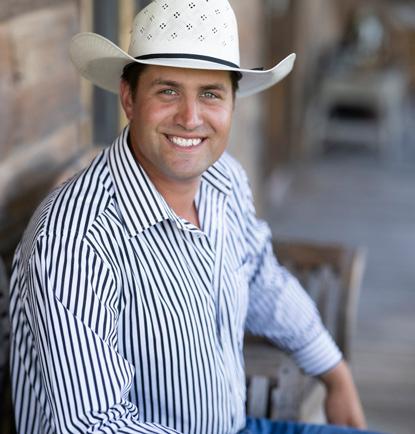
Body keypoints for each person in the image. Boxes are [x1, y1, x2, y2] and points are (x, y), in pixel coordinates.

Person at [9, 1, 383, 433]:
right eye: (168, 91)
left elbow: (262, 278)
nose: (190, 119)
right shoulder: (76, 239)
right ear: (129, 98)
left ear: (232, 103)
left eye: (210, 93)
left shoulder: (224, 179)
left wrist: (335, 373)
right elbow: (94, 425)